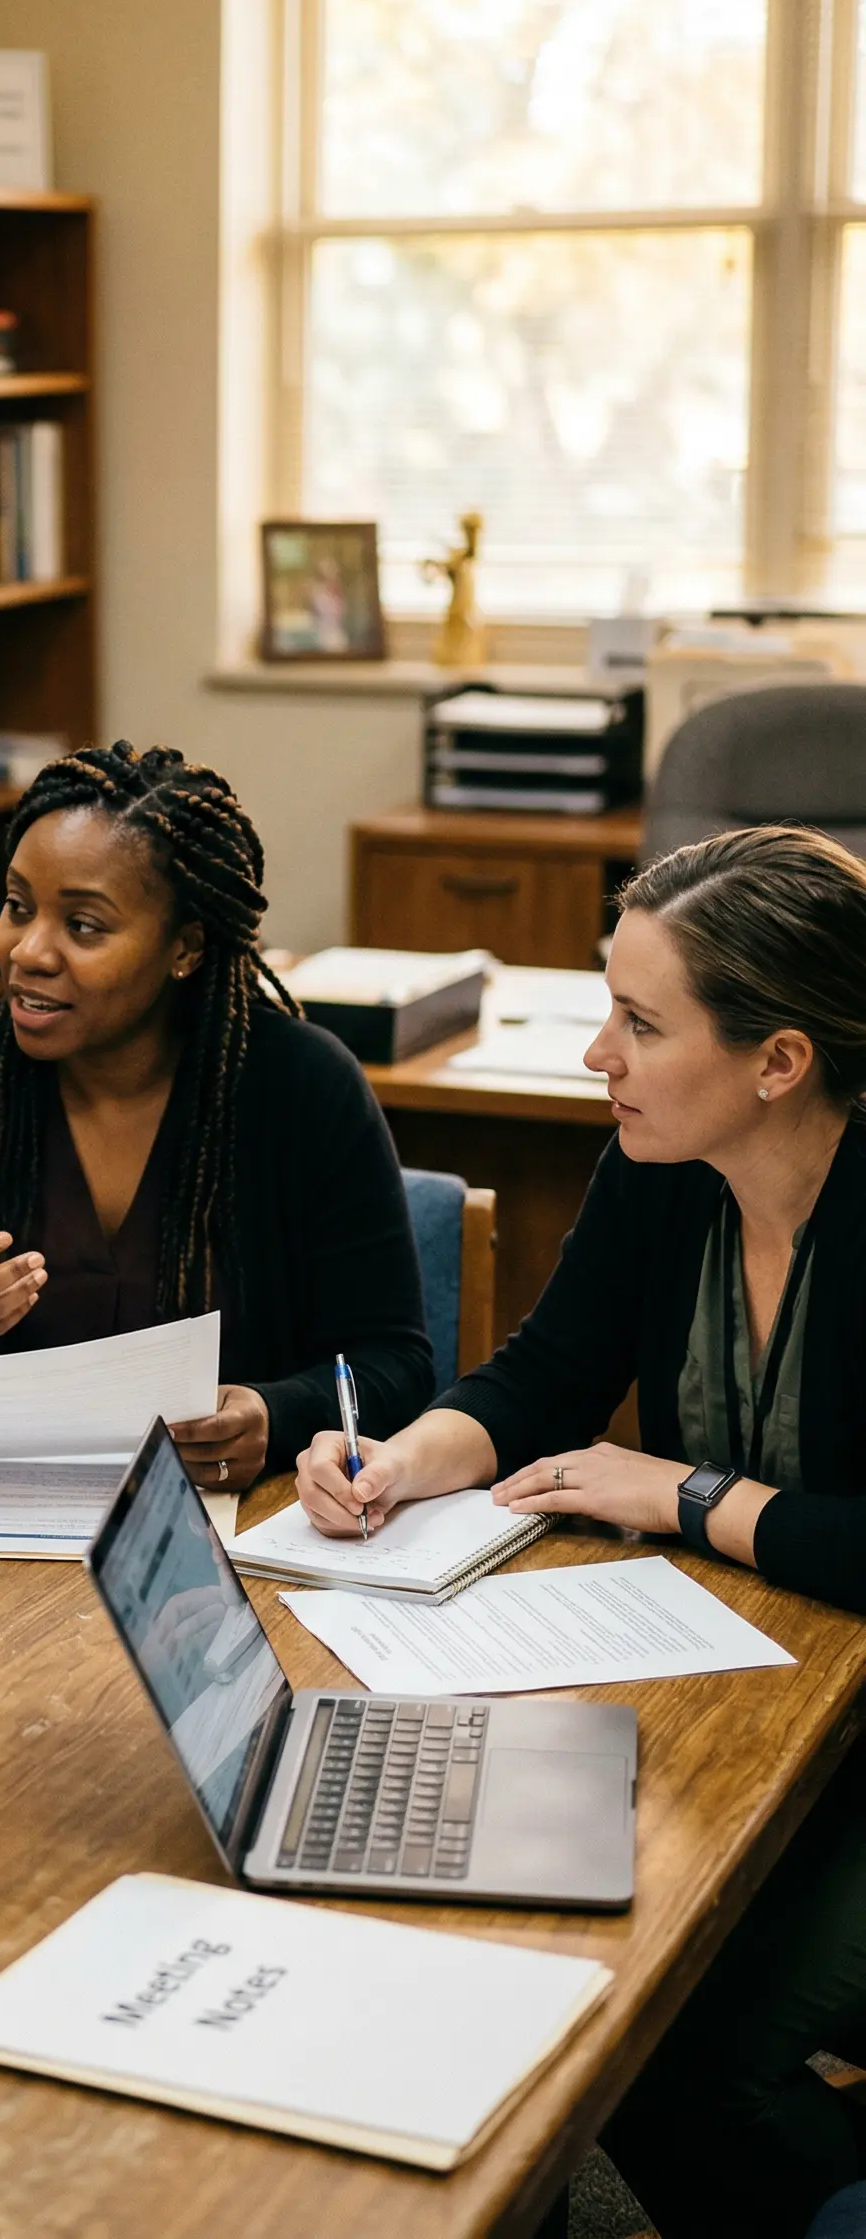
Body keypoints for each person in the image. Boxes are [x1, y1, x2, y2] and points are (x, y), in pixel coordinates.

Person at [293, 823, 866, 2239]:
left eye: (639, 1021)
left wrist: (685, 1496)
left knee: (677, 2056)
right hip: (764, 1680)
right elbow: (545, 1375)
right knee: (559, 1957)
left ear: (778, 1062)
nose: (594, 1053)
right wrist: (401, 1459)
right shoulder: (665, 1161)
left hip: (844, 1714)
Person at [0, 741, 432, 1490]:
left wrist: (274, 1413)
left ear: (184, 948)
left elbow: (396, 1363)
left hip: (235, 1536)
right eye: (17, 906)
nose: (27, 950)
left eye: (84, 926)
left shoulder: (300, 1087)